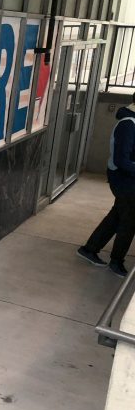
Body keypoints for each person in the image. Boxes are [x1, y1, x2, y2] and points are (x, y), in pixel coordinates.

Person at [78, 93, 135, 278]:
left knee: (117, 216)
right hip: (124, 181)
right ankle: (116, 261)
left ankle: (90, 249)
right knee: (129, 221)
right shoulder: (128, 124)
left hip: (127, 179)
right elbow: (121, 160)